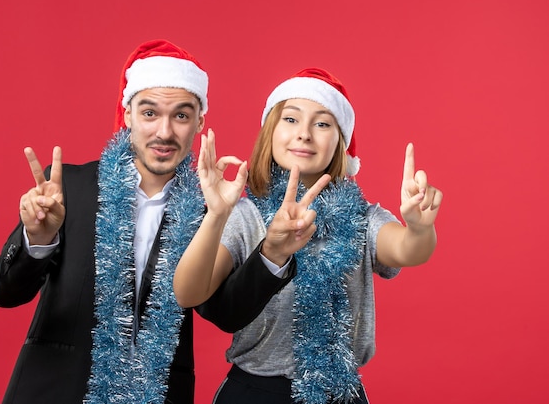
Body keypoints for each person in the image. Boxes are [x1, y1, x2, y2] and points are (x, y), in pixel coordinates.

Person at [173, 67, 443, 404]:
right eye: (290, 119)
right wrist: (215, 215)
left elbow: (406, 250)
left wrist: (419, 228)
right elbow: (187, 293)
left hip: (340, 392)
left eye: (322, 123)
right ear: (270, 131)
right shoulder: (245, 216)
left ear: (340, 143)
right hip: (256, 391)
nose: (304, 134)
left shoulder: (360, 217)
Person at [0, 39, 227, 404]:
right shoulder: (69, 188)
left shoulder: (210, 210)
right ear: (128, 114)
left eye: (181, 115)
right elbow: (4, 292)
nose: (164, 132)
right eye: (149, 113)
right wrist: (37, 239)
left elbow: (219, 309)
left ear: (199, 122)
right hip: (58, 391)